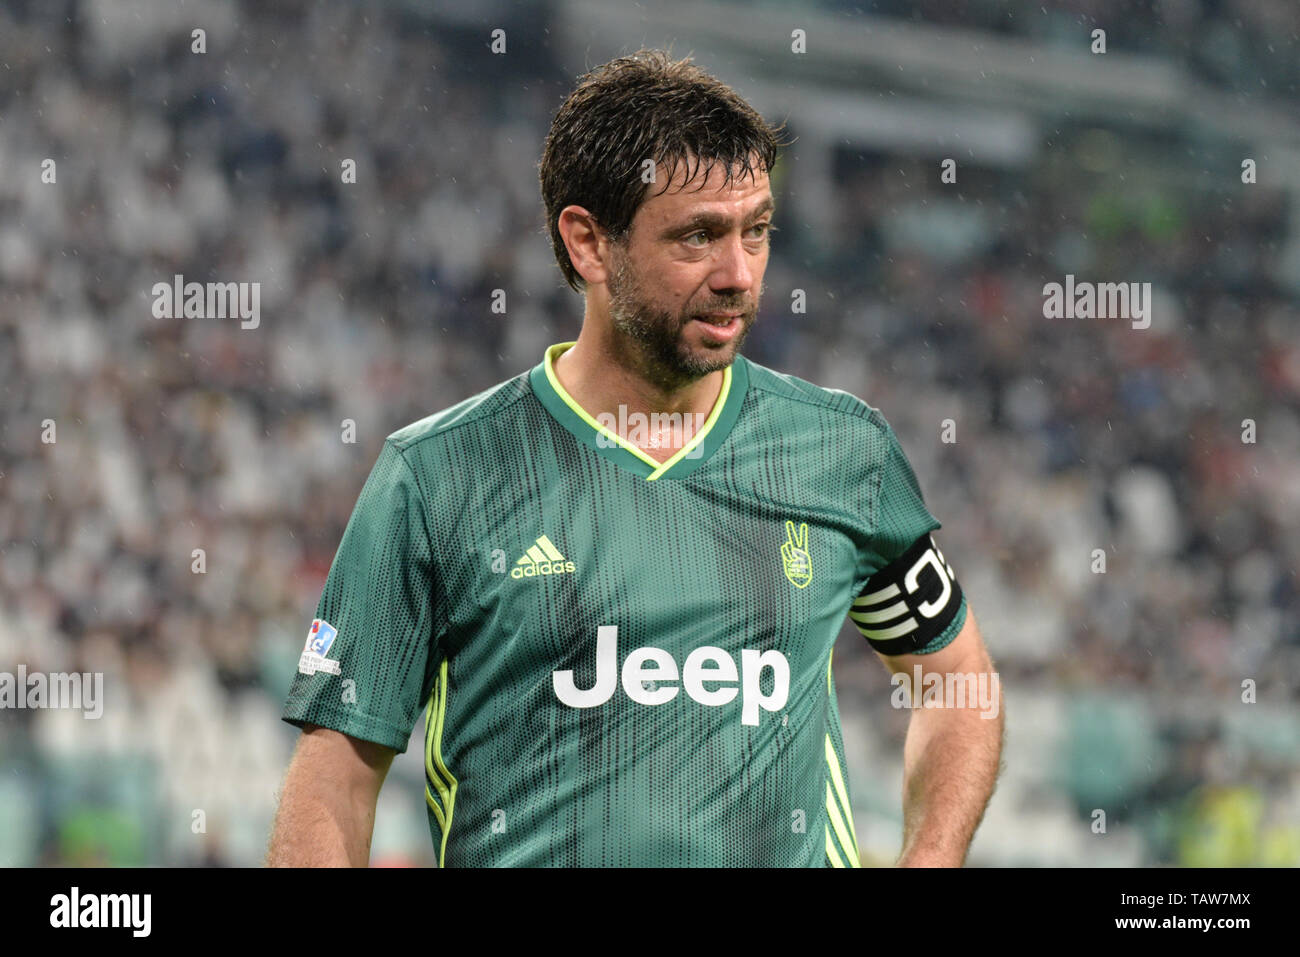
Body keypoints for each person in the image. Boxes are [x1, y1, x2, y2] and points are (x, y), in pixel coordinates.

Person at [267, 48, 1003, 868]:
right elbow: (336, 778)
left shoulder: (841, 453)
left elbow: (956, 678)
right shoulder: (439, 475)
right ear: (588, 243)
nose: (739, 275)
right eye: (698, 237)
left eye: (756, 231)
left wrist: (929, 858)